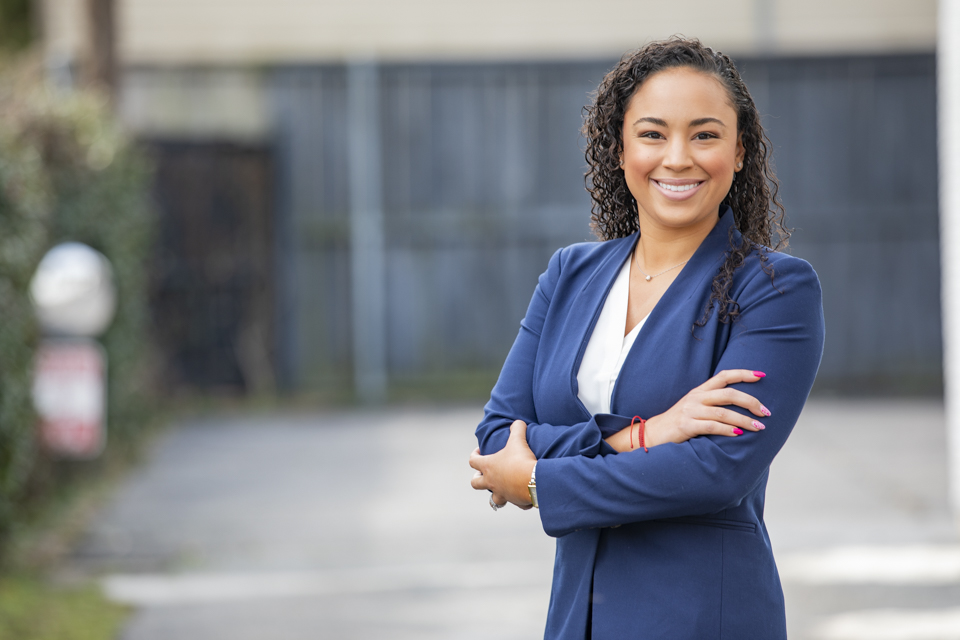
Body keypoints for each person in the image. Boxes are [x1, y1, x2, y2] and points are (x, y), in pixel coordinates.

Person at [468, 37, 825, 640]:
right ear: (620, 149)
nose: (678, 157)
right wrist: (648, 434)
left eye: (705, 135)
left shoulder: (774, 289)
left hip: (700, 618)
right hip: (574, 618)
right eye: (654, 134)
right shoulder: (569, 274)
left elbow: (716, 471)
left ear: (740, 153)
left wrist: (536, 482)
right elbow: (499, 435)